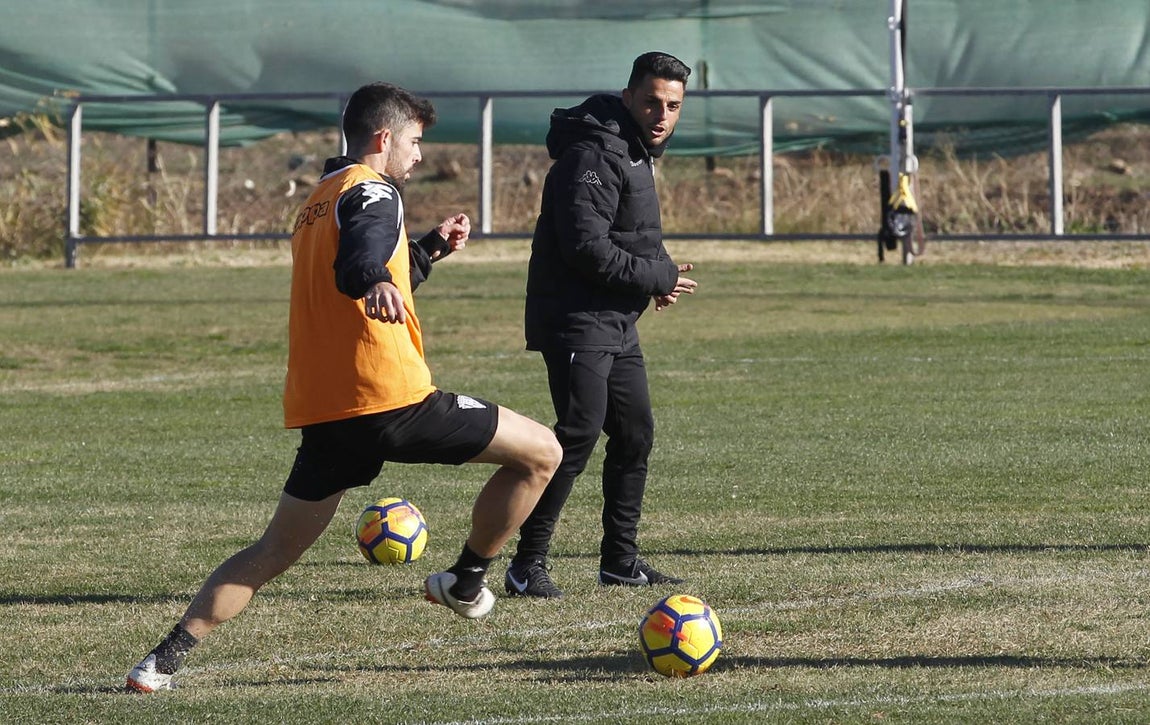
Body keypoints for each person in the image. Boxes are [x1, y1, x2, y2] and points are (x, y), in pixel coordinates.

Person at [126, 82, 562, 692]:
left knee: (274, 549)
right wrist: (372, 280)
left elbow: (371, 264)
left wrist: (429, 249)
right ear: (384, 138)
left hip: (328, 411)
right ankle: (466, 581)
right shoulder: (374, 190)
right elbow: (359, 263)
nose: (419, 154)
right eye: (414, 141)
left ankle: (161, 661)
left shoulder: (319, 199)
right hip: (390, 399)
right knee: (543, 453)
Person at [505, 52, 698, 599]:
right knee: (576, 436)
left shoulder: (634, 150)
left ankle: (620, 561)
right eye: (652, 102)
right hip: (575, 319)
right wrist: (655, 276)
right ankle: (526, 564)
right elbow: (586, 248)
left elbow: (631, 234)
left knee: (635, 433)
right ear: (628, 97)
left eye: (673, 106)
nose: (662, 115)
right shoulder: (592, 154)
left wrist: (655, 274)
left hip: (613, 320)